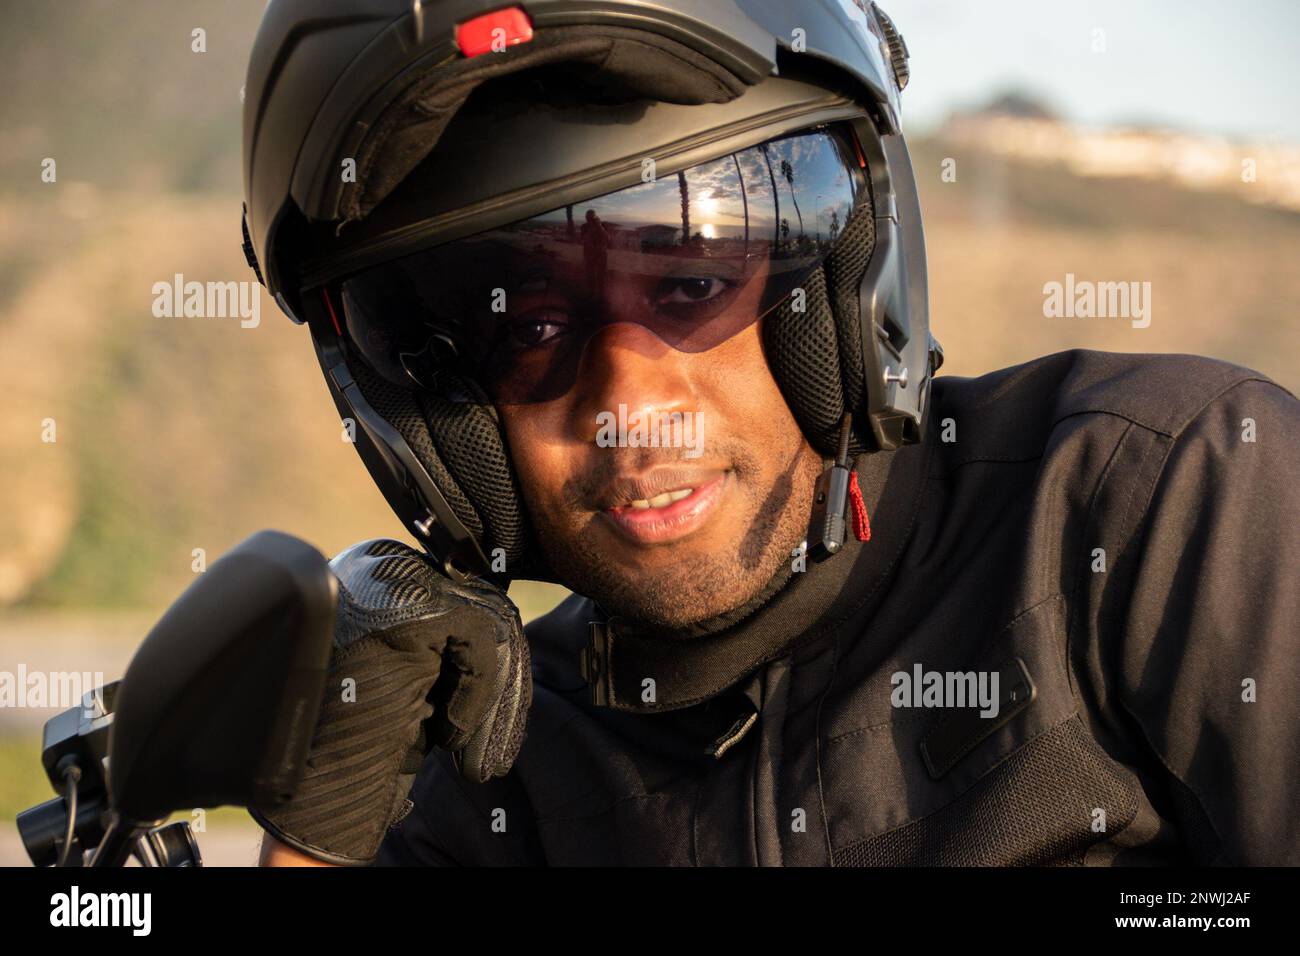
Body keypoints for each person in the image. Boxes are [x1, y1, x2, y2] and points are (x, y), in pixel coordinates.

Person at [239, 1, 1300, 866]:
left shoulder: (1152, 498)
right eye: (525, 328)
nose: (629, 406)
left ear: (837, 289)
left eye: (693, 284)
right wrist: (325, 821)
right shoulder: (493, 754)